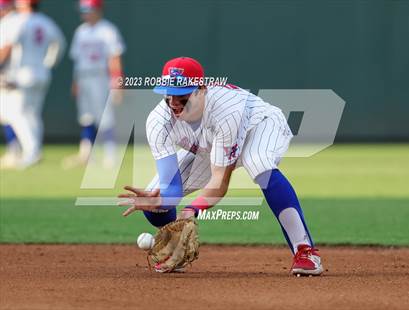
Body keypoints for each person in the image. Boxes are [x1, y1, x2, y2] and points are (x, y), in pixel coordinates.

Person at [118, 57, 323, 276]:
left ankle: (306, 251)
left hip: (260, 125)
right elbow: (172, 187)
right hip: (209, 145)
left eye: (182, 95)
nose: (174, 102)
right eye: (169, 94)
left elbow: (220, 182)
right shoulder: (158, 122)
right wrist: (162, 200)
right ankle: (174, 249)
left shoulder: (226, 110)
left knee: (259, 164)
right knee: (157, 205)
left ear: (201, 90)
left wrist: (192, 210)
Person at [0, 0, 65, 169]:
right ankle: (34, 150)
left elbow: (7, 46)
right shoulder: (46, 21)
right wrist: (48, 63)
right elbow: (60, 44)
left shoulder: (18, 21)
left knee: (17, 114)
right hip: (41, 74)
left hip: (21, 75)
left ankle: (32, 152)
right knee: (32, 114)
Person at [64, 0, 125, 168]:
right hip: (84, 77)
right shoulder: (80, 31)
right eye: (83, 10)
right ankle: (86, 154)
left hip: (100, 77)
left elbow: (115, 57)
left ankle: (110, 155)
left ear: (98, 9)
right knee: (86, 116)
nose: (85, 13)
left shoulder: (108, 30)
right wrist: (75, 81)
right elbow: (77, 60)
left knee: (105, 117)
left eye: (88, 9)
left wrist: (117, 81)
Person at [0, 0, 19, 169]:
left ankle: (19, 151)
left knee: (14, 114)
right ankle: (15, 150)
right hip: (8, 74)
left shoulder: (12, 21)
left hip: (11, 75)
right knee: (7, 114)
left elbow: (7, 48)